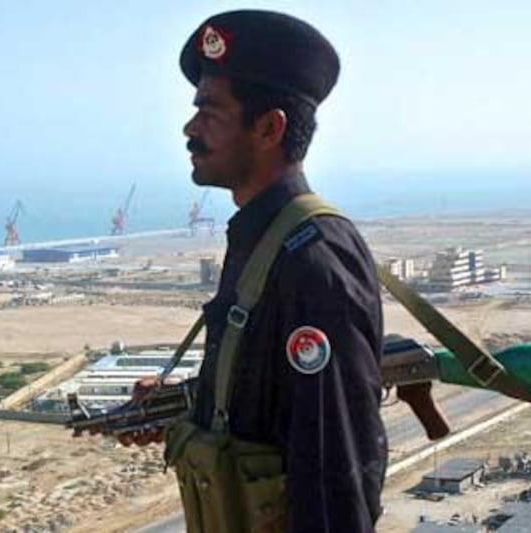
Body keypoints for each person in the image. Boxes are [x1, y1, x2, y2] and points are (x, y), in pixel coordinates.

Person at [122, 10, 386, 532]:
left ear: (268, 128)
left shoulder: (312, 263)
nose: (190, 128)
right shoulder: (264, 239)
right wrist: (188, 406)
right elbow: (268, 407)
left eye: (210, 111)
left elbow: (336, 469)